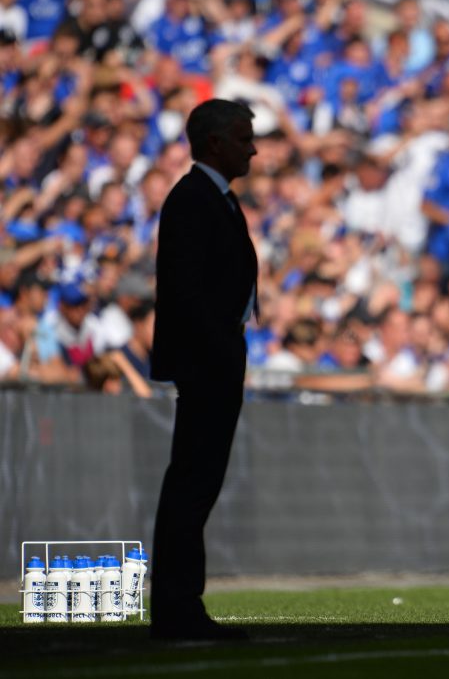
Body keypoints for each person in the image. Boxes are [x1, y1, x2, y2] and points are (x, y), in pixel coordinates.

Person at [149, 99, 257, 642]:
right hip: (206, 362)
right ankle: (176, 606)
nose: (253, 148)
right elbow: (186, 291)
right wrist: (218, 348)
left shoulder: (213, 199)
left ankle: (180, 604)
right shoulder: (195, 199)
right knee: (192, 484)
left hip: (213, 358)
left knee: (195, 484)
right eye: (243, 138)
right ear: (215, 142)